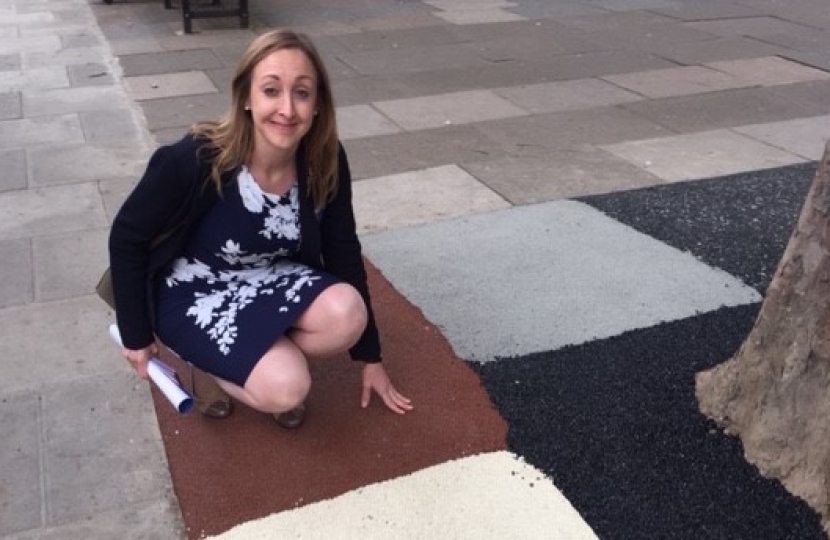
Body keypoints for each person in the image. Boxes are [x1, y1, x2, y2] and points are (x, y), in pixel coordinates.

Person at [108, 29, 413, 428]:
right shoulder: (195, 158)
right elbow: (126, 236)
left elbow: (342, 249)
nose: (287, 108)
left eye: (302, 93)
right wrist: (135, 335)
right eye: (271, 90)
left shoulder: (325, 159)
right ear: (246, 98)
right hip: (194, 289)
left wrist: (370, 358)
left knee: (347, 314)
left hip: (269, 277)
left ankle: (250, 355)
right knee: (286, 389)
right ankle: (211, 366)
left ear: (318, 103)